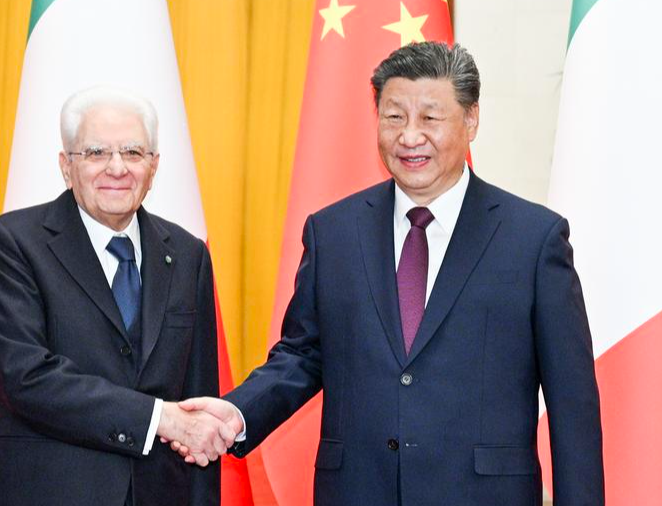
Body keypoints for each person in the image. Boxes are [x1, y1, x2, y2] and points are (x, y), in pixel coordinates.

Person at [173, 42, 605, 506]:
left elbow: (572, 403)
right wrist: (237, 413)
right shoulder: (333, 232)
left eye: (431, 118)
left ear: (471, 119)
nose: (410, 136)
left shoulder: (533, 239)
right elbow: (302, 355)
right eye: (394, 116)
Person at [0, 86, 233, 506]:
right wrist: (157, 419)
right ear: (66, 166)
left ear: (154, 167)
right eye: (96, 153)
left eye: (133, 153)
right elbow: (27, 377)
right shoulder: (13, 243)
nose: (117, 168)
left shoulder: (188, 255)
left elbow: (197, 401)